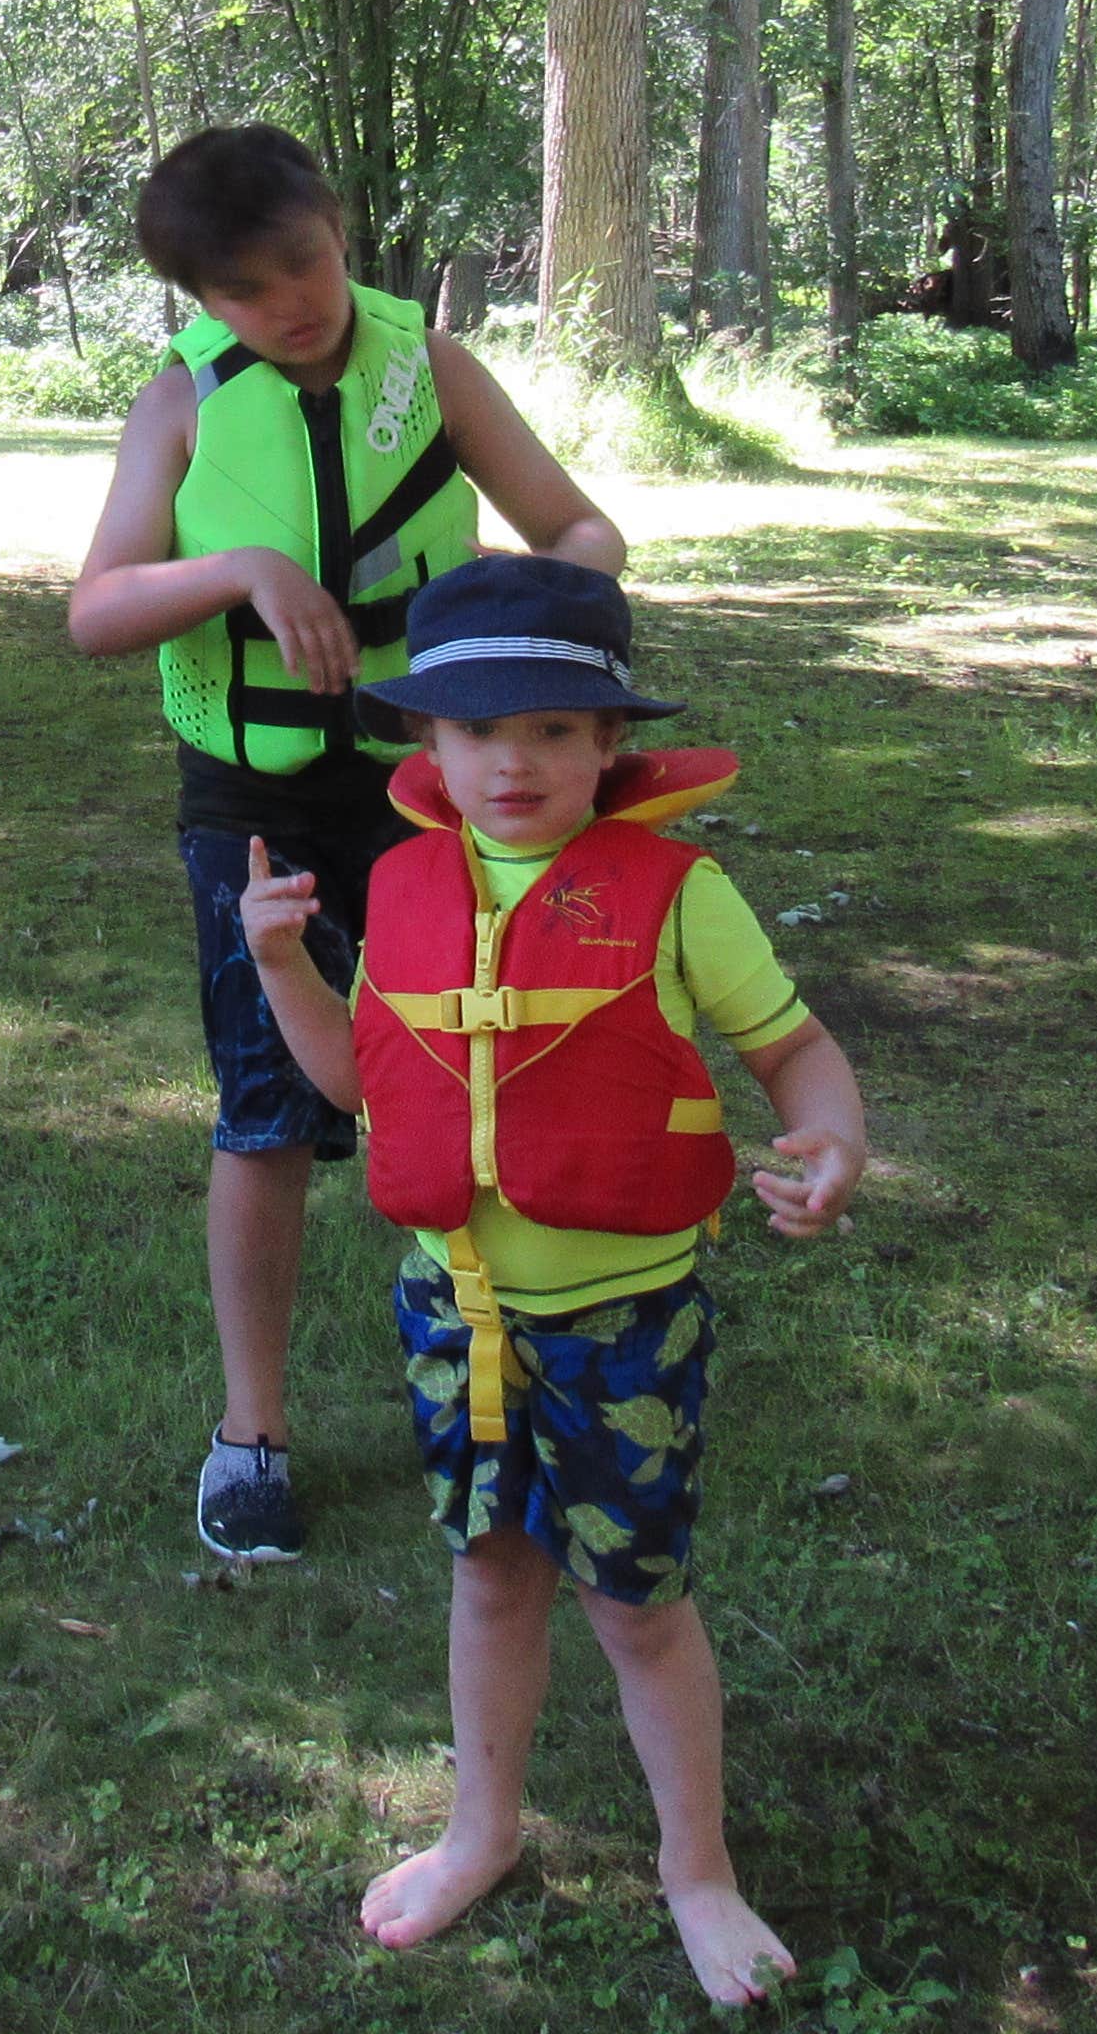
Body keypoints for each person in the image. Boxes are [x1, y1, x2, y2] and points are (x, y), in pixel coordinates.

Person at [235, 553, 868, 2010]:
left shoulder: (679, 894)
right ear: (427, 747)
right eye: (473, 731)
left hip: (625, 1320)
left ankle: (696, 1869)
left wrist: (830, 1139)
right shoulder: (399, 891)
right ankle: (482, 1829)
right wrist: (284, 970)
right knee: (487, 1572)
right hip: (456, 1313)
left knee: (637, 1604)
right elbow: (368, 1088)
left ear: (609, 747)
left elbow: (795, 1054)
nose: (510, 761)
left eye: (551, 732)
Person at [67, 126, 623, 1564]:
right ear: (201, 301)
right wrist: (246, 571)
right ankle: (251, 1431)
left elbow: (580, 528)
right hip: (252, 807)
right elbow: (97, 610)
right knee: (267, 1113)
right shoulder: (181, 404)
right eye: (246, 289)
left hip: (433, 799)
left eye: (305, 261)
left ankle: (526, 1384)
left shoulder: (425, 366)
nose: (292, 302)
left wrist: (521, 615)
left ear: (339, 223)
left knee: (486, 1070)